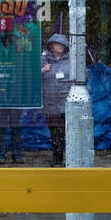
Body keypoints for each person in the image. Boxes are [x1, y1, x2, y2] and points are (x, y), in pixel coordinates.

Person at [41, 33, 71, 166]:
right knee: (54, 133)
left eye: (62, 45)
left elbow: (84, 76)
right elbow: (31, 77)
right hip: (50, 103)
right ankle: (57, 158)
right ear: (51, 46)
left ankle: (67, 157)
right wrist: (42, 70)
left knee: (66, 132)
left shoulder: (72, 61)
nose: (59, 46)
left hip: (67, 103)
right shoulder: (43, 60)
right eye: (56, 44)